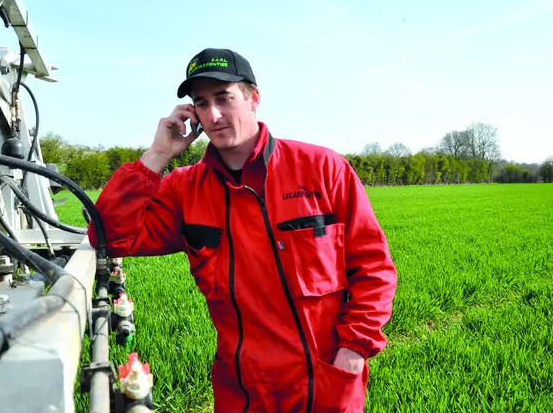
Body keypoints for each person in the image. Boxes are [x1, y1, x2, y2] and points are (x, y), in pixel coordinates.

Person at [86, 48, 398, 412]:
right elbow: (109, 235)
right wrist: (157, 155)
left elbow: (374, 269)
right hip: (244, 390)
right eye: (201, 103)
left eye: (224, 98)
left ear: (254, 98)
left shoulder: (322, 169)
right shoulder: (185, 190)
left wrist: (355, 349)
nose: (214, 115)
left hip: (326, 381)